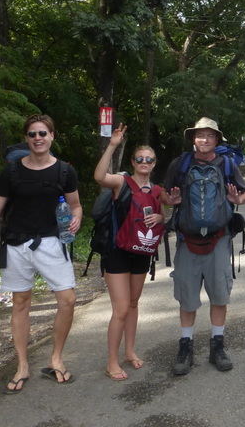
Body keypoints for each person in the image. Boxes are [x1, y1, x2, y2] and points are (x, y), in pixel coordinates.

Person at [0, 114, 82, 393]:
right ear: (26, 138)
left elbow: (75, 205)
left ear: (52, 136)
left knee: (67, 299)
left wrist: (76, 217)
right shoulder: (12, 172)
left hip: (52, 243)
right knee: (20, 303)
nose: (38, 138)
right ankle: (22, 365)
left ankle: (56, 358)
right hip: (16, 244)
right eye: (32, 134)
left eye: (43, 133)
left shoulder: (65, 172)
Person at [164, 117, 245, 376]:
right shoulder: (180, 164)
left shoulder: (227, 164)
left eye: (210, 135)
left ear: (217, 140)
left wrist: (239, 199)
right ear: (193, 138)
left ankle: (217, 346)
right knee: (187, 297)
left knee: (219, 295)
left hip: (219, 239)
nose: (205, 139)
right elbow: (165, 194)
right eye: (200, 135)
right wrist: (170, 200)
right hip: (187, 240)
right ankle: (185, 347)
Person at [93, 124, 176, 381]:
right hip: (116, 251)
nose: (144, 163)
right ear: (133, 161)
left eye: (149, 159)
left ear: (154, 163)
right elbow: (99, 176)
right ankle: (112, 361)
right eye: (139, 159)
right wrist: (113, 145)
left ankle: (129, 351)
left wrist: (161, 217)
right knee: (120, 309)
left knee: (132, 303)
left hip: (141, 251)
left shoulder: (157, 190)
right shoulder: (122, 182)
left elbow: (167, 211)